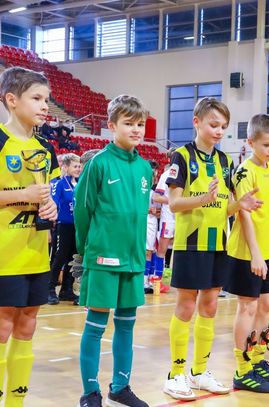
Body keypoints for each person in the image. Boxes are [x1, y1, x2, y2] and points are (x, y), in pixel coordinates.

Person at [163, 97, 261, 400]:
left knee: (210, 306)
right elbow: (174, 204)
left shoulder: (225, 161)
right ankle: (175, 374)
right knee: (186, 306)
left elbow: (224, 208)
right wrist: (203, 199)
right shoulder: (180, 156)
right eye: (213, 125)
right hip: (190, 243)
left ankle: (199, 371)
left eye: (223, 126)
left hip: (218, 244)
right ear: (197, 122)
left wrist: (239, 204)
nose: (219, 131)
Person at [75, 95, 152, 407]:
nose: (136, 130)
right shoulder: (98, 163)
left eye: (140, 124)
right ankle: (90, 392)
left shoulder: (145, 167)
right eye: (128, 123)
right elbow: (83, 211)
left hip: (133, 261)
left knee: (126, 326)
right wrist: (84, 252)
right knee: (96, 325)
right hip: (103, 257)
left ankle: (120, 387)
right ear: (111, 125)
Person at [0, 67, 59, 407]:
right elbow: (27, 193)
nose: (45, 106)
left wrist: (50, 206)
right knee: (3, 325)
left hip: (35, 252)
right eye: (36, 98)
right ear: (11, 100)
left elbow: (46, 194)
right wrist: (23, 194)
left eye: (47, 99)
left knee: (28, 323)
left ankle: (15, 403)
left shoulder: (46, 147)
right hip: (4, 255)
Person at [226, 114, 269, 393]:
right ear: (250, 143)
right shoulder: (243, 172)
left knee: (266, 305)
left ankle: (258, 359)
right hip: (245, 252)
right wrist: (256, 254)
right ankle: (242, 369)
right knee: (247, 307)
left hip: (267, 250)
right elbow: (245, 215)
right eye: (266, 145)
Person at [48, 153, 82, 305]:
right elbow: (53, 202)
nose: (78, 169)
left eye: (79, 166)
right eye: (75, 166)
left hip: (77, 227)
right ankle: (50, 289)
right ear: (66, 167)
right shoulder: (60, 184)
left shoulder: (80, 183)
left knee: (73, 258)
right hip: (63, 226)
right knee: (60, 257)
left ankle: (66, 290)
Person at [152, 149, 177, 292]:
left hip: (184, 216)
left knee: (184, 249)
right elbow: (156, 197)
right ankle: (157, 281)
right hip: (169, 217)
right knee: (162, 249)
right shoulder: (166, 175)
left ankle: (182, 280)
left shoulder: (188, 174)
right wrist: (173, 201)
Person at [144, 160, 161, 293]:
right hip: (142, 222)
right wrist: (149, 210)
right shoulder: (140, 191)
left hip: (152, 223)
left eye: (155, 175)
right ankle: (143, 281)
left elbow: (160, 211)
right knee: (145, 251)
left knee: (150, 251)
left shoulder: (154, 193)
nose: (154, 178)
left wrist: (154, 211)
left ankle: (148, 280)